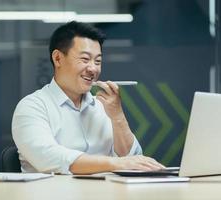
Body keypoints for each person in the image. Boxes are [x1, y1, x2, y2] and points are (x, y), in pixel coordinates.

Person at [12, 21, 164, 174]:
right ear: (58, 58)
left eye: (98, 61)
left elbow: (133, 160)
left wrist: (118, 116)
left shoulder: (103, 106)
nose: (93, 69)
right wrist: (115, 163)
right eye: (85, 59)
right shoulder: (32, 107)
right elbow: (49, 158)